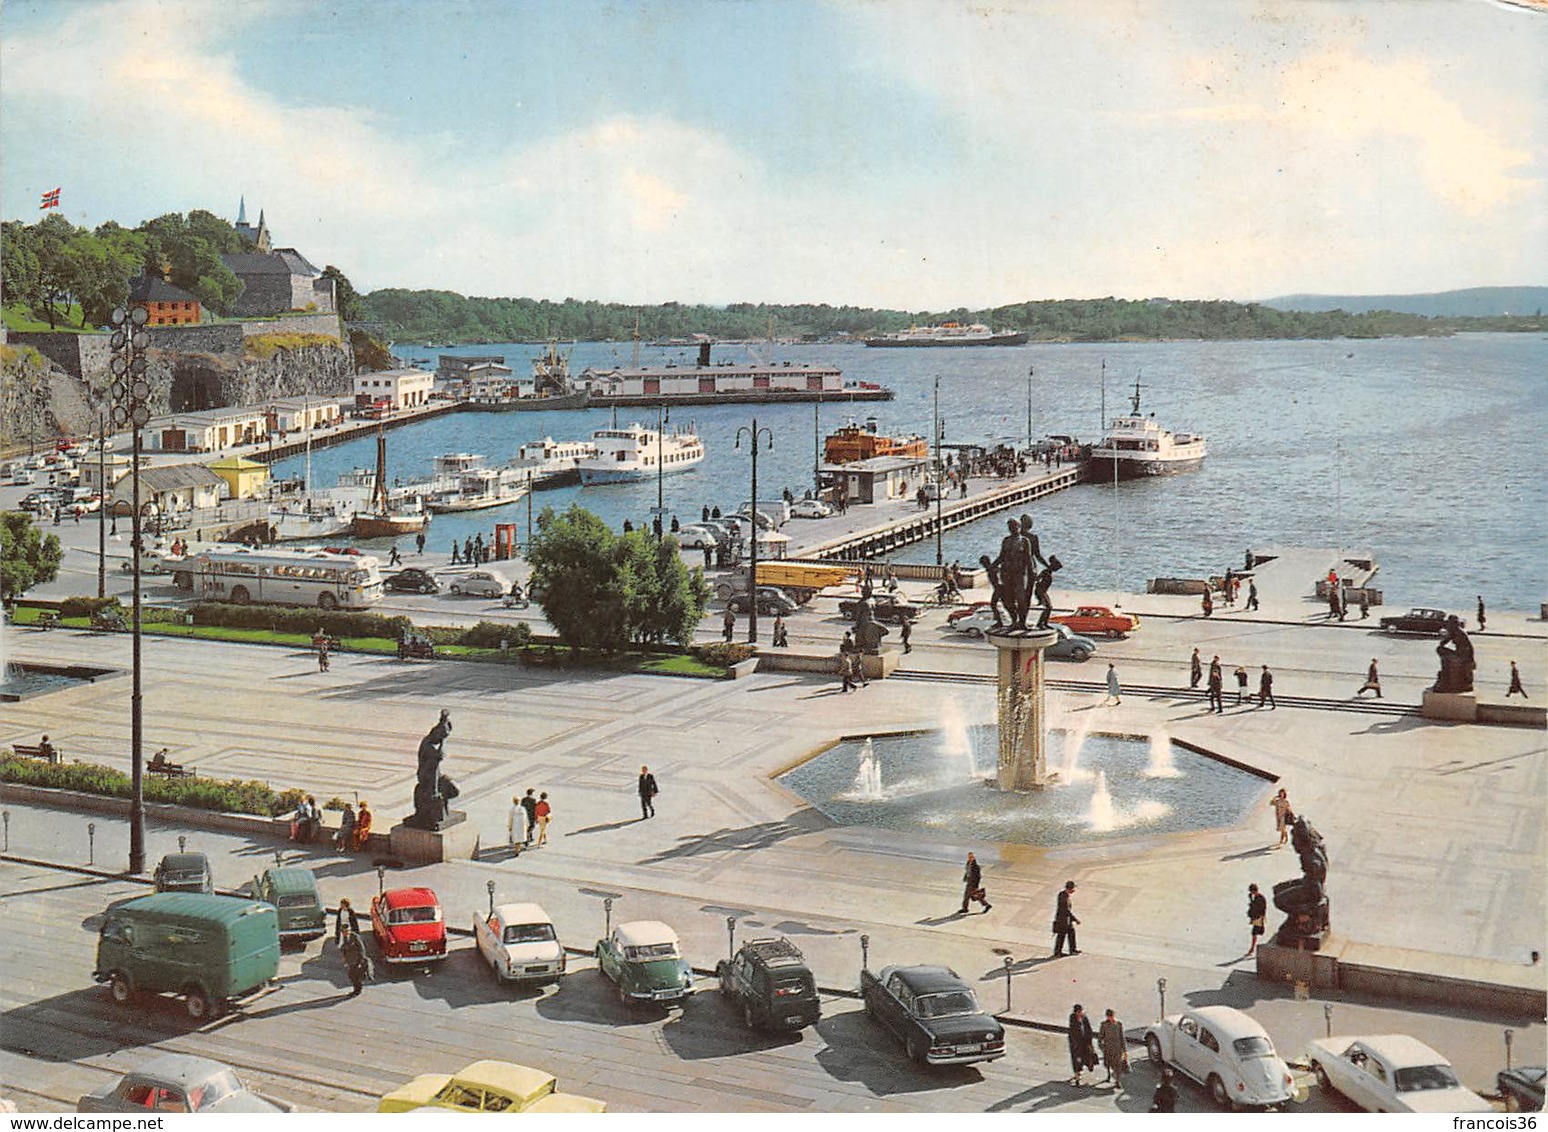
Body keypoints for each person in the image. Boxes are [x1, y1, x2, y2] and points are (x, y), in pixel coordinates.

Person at [1067, 1004, 1097, 1085]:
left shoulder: (1084, 1018)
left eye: (1080, 1011)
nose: (1080, 1013)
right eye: (1078, 1012)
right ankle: (1077, 1076)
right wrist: (1075, 1044)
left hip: (1085, 1042)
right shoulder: (1072, 1019)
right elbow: (1073, 1032)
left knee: (1085, 1057)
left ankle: (1081, 1069)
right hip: (1076, 1044)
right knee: (1076, 1059)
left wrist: (1090, 1041)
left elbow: (1089, 1029)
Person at [1099, 1007, 1128, 1087]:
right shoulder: (1104, 1025)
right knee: (1108, 1064)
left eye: (1111, 1016)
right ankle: (1108, 1074)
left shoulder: (1118, 1024)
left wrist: (1125, 1050)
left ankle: (1117, 1081)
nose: (1110, 1018)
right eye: (1108, 1016)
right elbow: (1100, 1038)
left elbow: (1122, 1038)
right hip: (1108, 1049)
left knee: (1118, 1066)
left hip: (1117, 1050)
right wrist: (1103, 1048)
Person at [340, 923, 370, 997]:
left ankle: (357, 990)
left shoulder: (355, 937)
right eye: (344, 931)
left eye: (347, 931)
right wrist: (344, 957)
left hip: (357, 960)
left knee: (355, 976)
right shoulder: (343, 938)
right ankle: (356, 989)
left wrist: (360, 961)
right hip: (350, 960)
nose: (346, 933)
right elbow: (343, 948)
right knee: (351, 976)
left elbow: (361, 949)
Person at [1053, 880, 1080, 956]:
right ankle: (1058, 952)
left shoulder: (1064, 895)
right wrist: (1075, 919)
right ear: (1070, 889)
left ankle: (1072, 949)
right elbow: (1066, 910)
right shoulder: (1063, 896)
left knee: (1071, 933)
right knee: (1061, 936)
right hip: (1062, 920)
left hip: (1066, 920)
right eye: (1073, 889)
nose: (1074, 890)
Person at [1247, 883, 1268, 956]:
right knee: (1254, 933)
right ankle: (1252, 948)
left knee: (1254, 933)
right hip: (1257, 917)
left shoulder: (1260, 898)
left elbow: (1261, 908)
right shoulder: (1256, 897)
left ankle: (1252, 949)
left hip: (1258, 918)